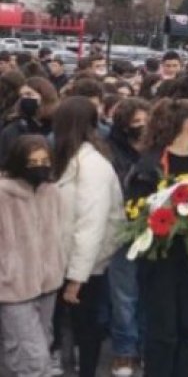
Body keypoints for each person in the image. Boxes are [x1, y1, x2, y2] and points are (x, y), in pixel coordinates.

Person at [126, 98, 188, 377]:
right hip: (160, 260)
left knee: (185, 330)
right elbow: (136, 213)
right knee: (163, 333)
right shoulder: (151, 164)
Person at [53, 96, 124, 377]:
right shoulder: (75, 159)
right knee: (75, 327)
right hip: (71, 259)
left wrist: (77, 277)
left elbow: (90, 225)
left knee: (86, 328)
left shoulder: (91, 166)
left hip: (85, 264)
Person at [0, 135, 65, 377]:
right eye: (32, 162)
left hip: (48, 282)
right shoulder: (4, 195)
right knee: (32, 356)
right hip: (13, 286)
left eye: (44, 160)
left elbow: (60, 231)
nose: (40, 166)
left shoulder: (51, 192)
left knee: (36, 345)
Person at [106, 97, 150, 377]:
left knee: (149, 294)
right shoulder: (110, 153)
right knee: (124, 296)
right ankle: (124, 351)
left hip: (155, 229)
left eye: (146, 122)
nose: (142, 128)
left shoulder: (157, 150)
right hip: (124, 230)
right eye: (136, 123)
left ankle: (146, 347)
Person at [0, 76, 58, 157]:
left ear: (44, 97)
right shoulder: (12, 129)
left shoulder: (57, 126)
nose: (24, 98)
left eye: (29, 94)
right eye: (21, 95)